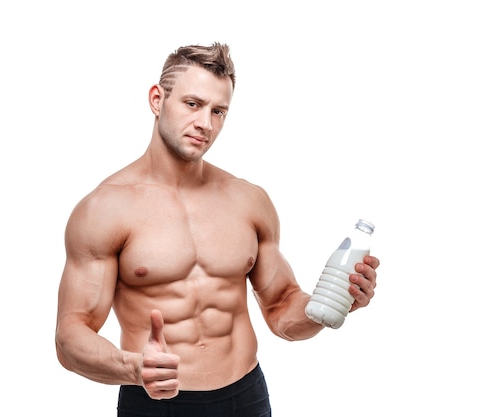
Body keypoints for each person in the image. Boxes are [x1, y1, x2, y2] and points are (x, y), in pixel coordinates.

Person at [55, 42, 380, 416]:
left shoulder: (249, 200)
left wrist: (329, 305)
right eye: (192, 104)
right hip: (156, 402)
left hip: (246, 397)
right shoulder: (104, 209)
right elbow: (70, 336)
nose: (205, 124)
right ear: (157, 99)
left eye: (219, 111)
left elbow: (281, 309)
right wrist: (132, 367)